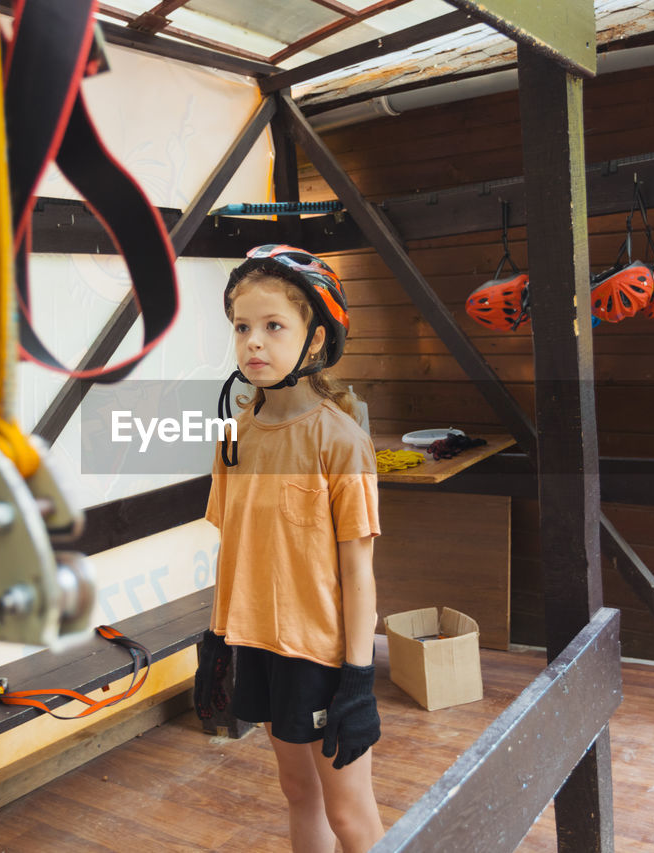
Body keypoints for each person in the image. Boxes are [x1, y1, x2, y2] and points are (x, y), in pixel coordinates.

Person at [194, 244, 384, 853]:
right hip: (260, 644)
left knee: (349, 813)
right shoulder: (235, 435)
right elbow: (236, 550)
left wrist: (358, 679)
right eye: (243, 327)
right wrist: (218, 639)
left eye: (273, 326)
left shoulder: (340, 441)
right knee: (297, 792)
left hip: (324, 656)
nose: (254, 342)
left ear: (314, 340)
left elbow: (359, 575)